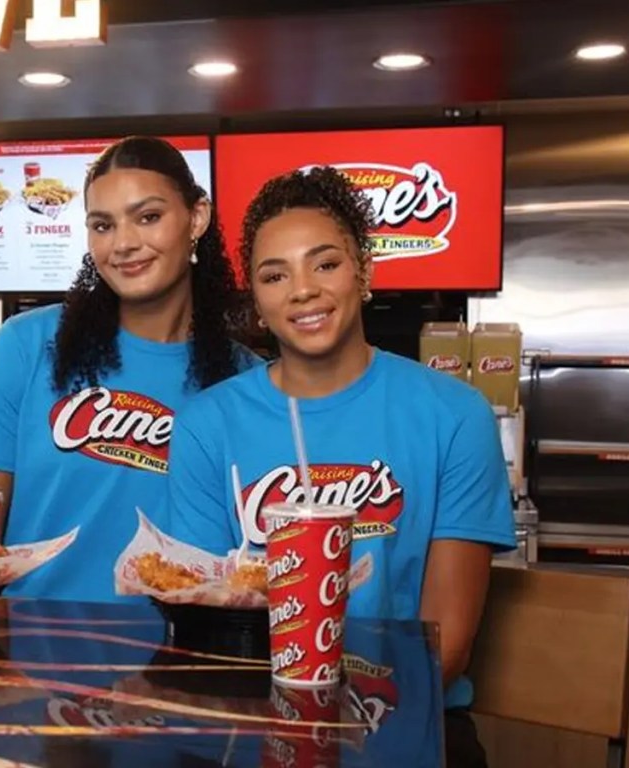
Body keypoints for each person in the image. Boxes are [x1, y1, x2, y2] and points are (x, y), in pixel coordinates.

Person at [164, 166, 514, 768]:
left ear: (365, 271)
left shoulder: (455, 415)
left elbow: (444, 647)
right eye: (276, 275)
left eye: (325, 264)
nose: (302, 290)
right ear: (257, 297)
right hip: (254, 723)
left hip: (410, 719)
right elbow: (206, 628)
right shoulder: (206, 424)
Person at [0, 136, 255, 603]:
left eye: (148, 217)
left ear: (197, 217)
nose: (124, 243)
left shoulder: (245, 379)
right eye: (103, 225)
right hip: (33, 656)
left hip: (187, 660)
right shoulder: (27, 347)